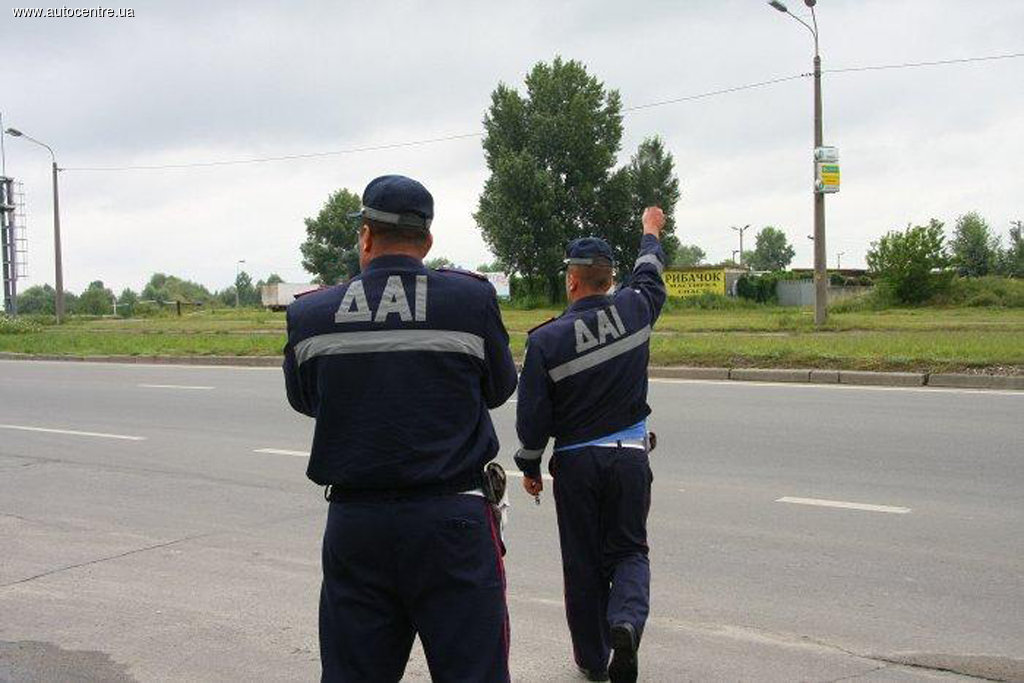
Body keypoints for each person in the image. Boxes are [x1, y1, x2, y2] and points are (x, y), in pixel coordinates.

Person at [283, 174, 518, 682]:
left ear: (365, 236)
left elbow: (306, 401)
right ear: (427, 241)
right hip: (454, 523)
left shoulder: (310, 314)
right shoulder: (470, 302)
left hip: (356, 528)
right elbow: (500, 389)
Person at [514, 207, 667, 682]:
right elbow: (651, 273)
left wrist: (531, 465)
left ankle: (591, 660)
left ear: (573, 282)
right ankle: (625, 621)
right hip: (630, 460)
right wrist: (649, 232)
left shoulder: (547, 340)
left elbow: (533, 417)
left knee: (581, 565)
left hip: (578, 466)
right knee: (629, 552)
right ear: (608, 280)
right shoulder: (636, 309)